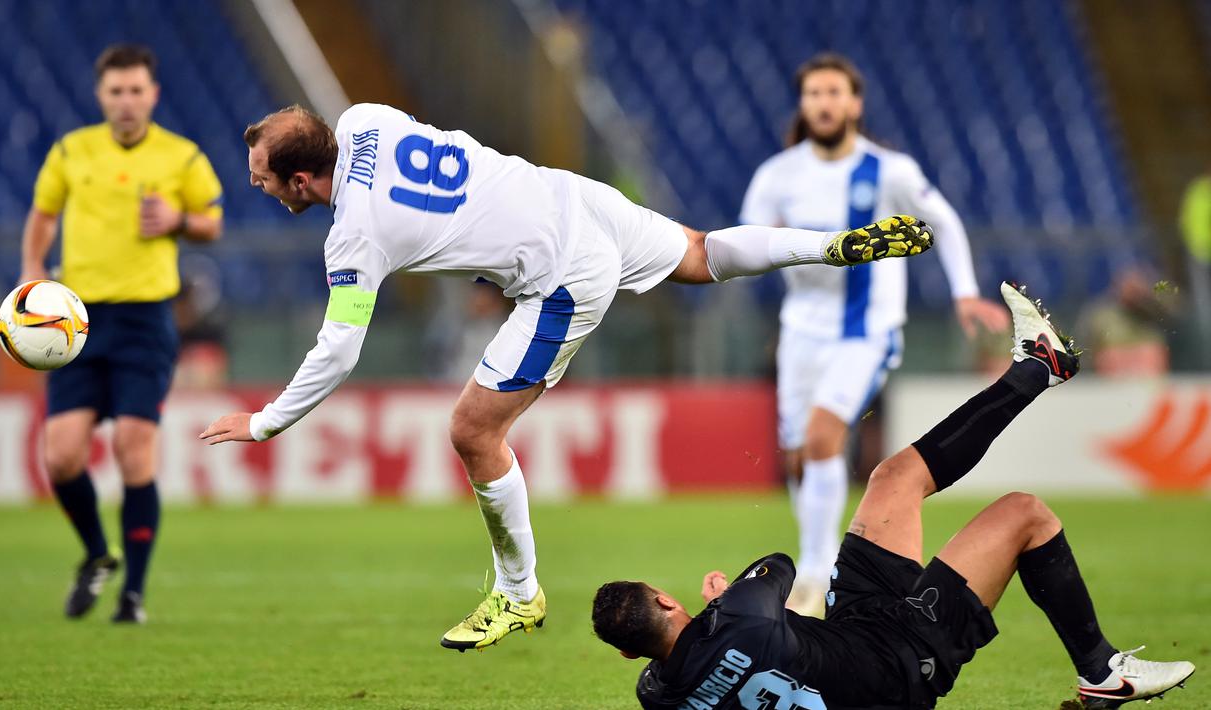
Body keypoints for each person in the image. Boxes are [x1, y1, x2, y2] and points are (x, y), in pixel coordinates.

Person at [198, 102, 934, 651]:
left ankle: (517, 594)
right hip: (571, 198)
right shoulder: (364, 119)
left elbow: (338, 350)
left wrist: (266, 422)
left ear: (301, 177)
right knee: (701, 254)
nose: (260, 187)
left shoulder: (353, 236)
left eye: (264, 178)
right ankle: (827, 248)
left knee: (472, 429)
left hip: (560, 274)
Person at [591, 282, 1196, 709]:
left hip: (850, 638)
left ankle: (1038, 366)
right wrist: (723, 597)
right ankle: (1103, 670)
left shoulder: (661, 696)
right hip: (900, 661)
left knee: (893, 478)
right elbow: (778, 566)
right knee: (1025, 514)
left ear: (631, 659)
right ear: (667, 600)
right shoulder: (739, 615)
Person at [739, 53, 1010, 616]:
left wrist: (963, 291)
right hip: (801, 333)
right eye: (814, 93)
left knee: (820, 439)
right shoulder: (777, 175)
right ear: (803, 103)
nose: (824, 102)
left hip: (867, 332)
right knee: (798, 457)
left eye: (834, 92)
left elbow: (946, 221)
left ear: (855, 103)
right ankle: (817, 562)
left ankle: (815, 579)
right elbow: (749, 244)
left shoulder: (889, 170)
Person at [20, 44, 224, 623]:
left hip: (145, 319)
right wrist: (32, 271)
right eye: (117, 91)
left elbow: (212, 219)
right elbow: (42, 215)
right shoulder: (72, 150)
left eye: (137, 91)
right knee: (60, 458)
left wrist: (179, 221)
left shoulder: (181, 156)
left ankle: (133, 595)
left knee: (133, 449)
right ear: (100, 96)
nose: (127, 101)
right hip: (75, 319)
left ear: (153, 94)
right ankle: (95, 554)